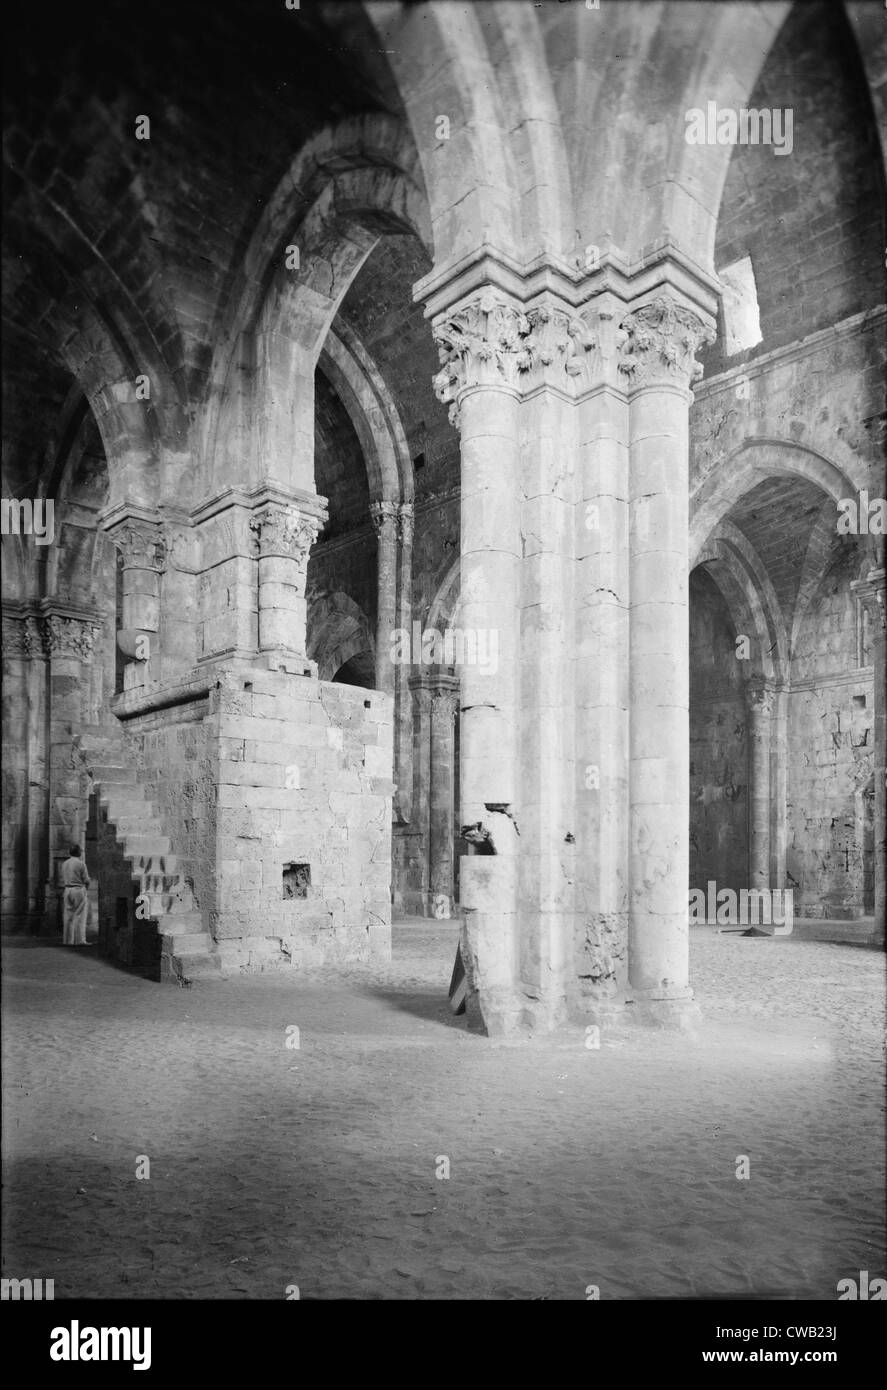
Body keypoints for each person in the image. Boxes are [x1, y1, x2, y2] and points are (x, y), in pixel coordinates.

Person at [61, 845, 92, 946]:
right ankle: (80, 940)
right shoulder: (81, 864)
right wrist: (86, 888)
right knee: (80, 916)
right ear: (79, 852)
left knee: (68, 916)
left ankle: (67, 941)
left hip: (67, 889)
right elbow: (86, 879)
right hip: (78, 889)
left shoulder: (64, 863)